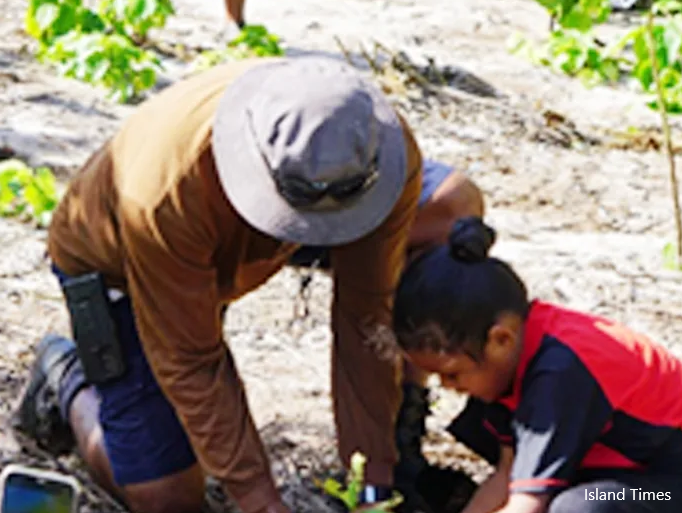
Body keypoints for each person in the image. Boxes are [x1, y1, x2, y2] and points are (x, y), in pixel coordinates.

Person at [13, 56, 423, 513]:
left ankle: (407, 447)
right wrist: (260, 499)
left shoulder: (378, 150)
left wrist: (373, 486)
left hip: (242, 241)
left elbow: (366, 319)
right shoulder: (164, 193)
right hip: (123, 267)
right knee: (168, 499)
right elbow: (192, 359)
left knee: (447, 217)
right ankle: (66, 379)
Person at [392, 217, 682, 513]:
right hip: (625, 476)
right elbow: (508, 475)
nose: (447, 386)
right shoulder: (507, 364)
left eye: (452, 373)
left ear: (500, 339)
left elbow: (527, 505)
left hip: (668, 492)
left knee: (581, 507)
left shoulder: (560, 372)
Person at [288, 159, 485, 512]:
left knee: (455, 205)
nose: (452, 384)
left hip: (609, 493)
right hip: (256, 202)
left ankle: (398, 448)